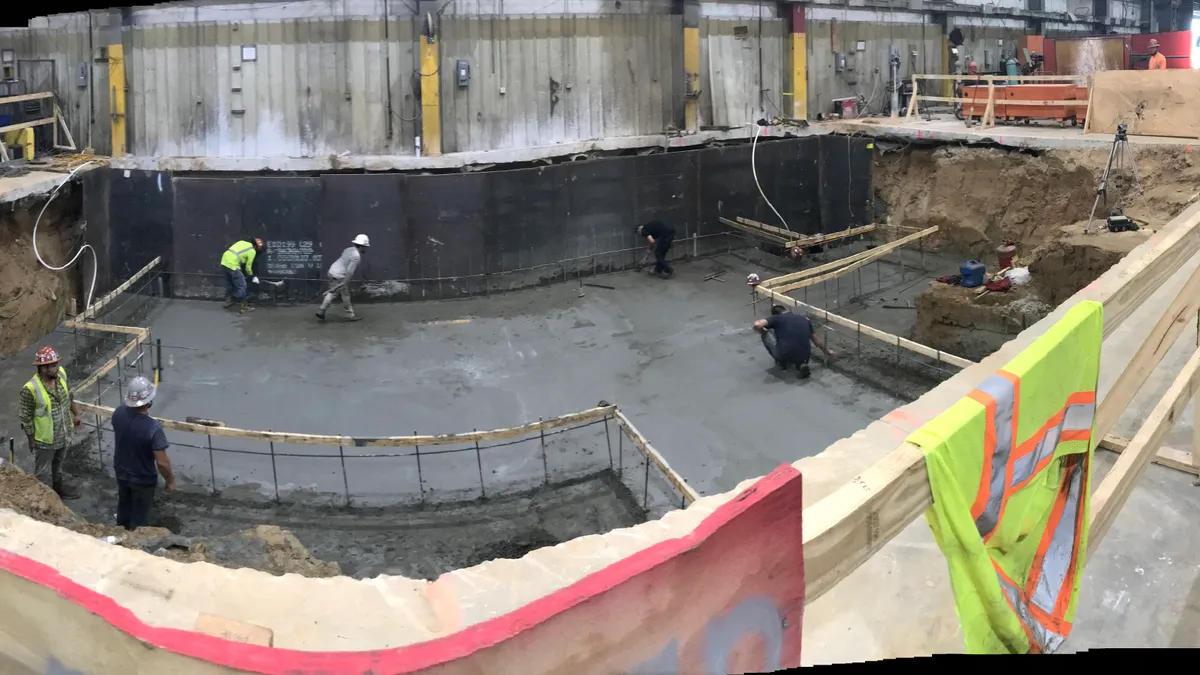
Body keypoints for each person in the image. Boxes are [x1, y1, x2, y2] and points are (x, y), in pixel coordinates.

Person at [111, 376, 174, 531]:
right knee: (140, 516)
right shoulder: (153, 428)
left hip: (121, 472)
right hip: (143, 479)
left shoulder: (118, 414)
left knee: (124, 505)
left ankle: (120, 532)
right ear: (149, 401)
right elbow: (162, 462)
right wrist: (170, 481)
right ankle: (135, 542)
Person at [17, 346, 81, 499]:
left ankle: (58, 490)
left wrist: (76, 413)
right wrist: (31, 440)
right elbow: (25, 417)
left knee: (58, 465)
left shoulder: (61, 375)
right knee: (42, 472)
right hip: (45, 440)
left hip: (64, 433)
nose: (57, 368)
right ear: (43, 368)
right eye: (52, 365)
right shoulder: (30, 388)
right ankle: (43, 500)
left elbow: (69, 395)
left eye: (57, 364)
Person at [752, 305, 834, 379]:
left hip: (785, 353)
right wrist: (827, 351)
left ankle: (782, 362)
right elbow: (816, 341)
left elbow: (757, 324)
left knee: (766, 334)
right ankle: (801, 364)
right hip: (805, 355)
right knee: (793, 338)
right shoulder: (804, 319)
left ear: (776, 314)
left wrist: (759, 329)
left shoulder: (777, 318)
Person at [316, 234, 370, 322]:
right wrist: (344, 282)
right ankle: (349, 315)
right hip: (339, 275)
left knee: (333, 291)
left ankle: (321, 311)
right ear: (362, 246)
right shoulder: (356, 256)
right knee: (345, 295)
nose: (366, 249)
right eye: (365, 247)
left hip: (332, 271)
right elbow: (349, 271)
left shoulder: (348, 249)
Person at [220, 237, 265, 314]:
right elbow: (248, 268)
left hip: (224, 261)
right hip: (233, 265)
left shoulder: (241, 242)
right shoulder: (252, 251)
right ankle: (244, 307)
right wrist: (252, 276)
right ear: (256, 247)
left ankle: (228, 302)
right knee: (242, 285)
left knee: (229, 283)